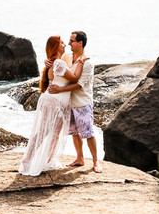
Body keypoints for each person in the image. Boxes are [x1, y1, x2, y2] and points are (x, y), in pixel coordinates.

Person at [18, 36, 73, 176]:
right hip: (54, 101)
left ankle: (48, 161)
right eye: (61, 43)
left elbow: (71, 58)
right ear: (56, 46)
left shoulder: (56, 62)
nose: (65, 45)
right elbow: (75, 78)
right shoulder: (58, 63)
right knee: (44, 132)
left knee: (54, 132)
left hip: (55, 101)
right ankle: (27, 161)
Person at [47, 30, 101, 172]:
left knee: (88, 132)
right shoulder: (67, 56)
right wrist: (49, 63)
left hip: (82, 102)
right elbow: (59, 68)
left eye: (72, 41)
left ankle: (96, 162)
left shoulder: (87, 62)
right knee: (74, 132)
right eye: (69, 41)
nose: (69, 43)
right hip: (68, 102)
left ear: (80, 43)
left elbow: (79, 84)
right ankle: (79, 158)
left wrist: (59, 90)